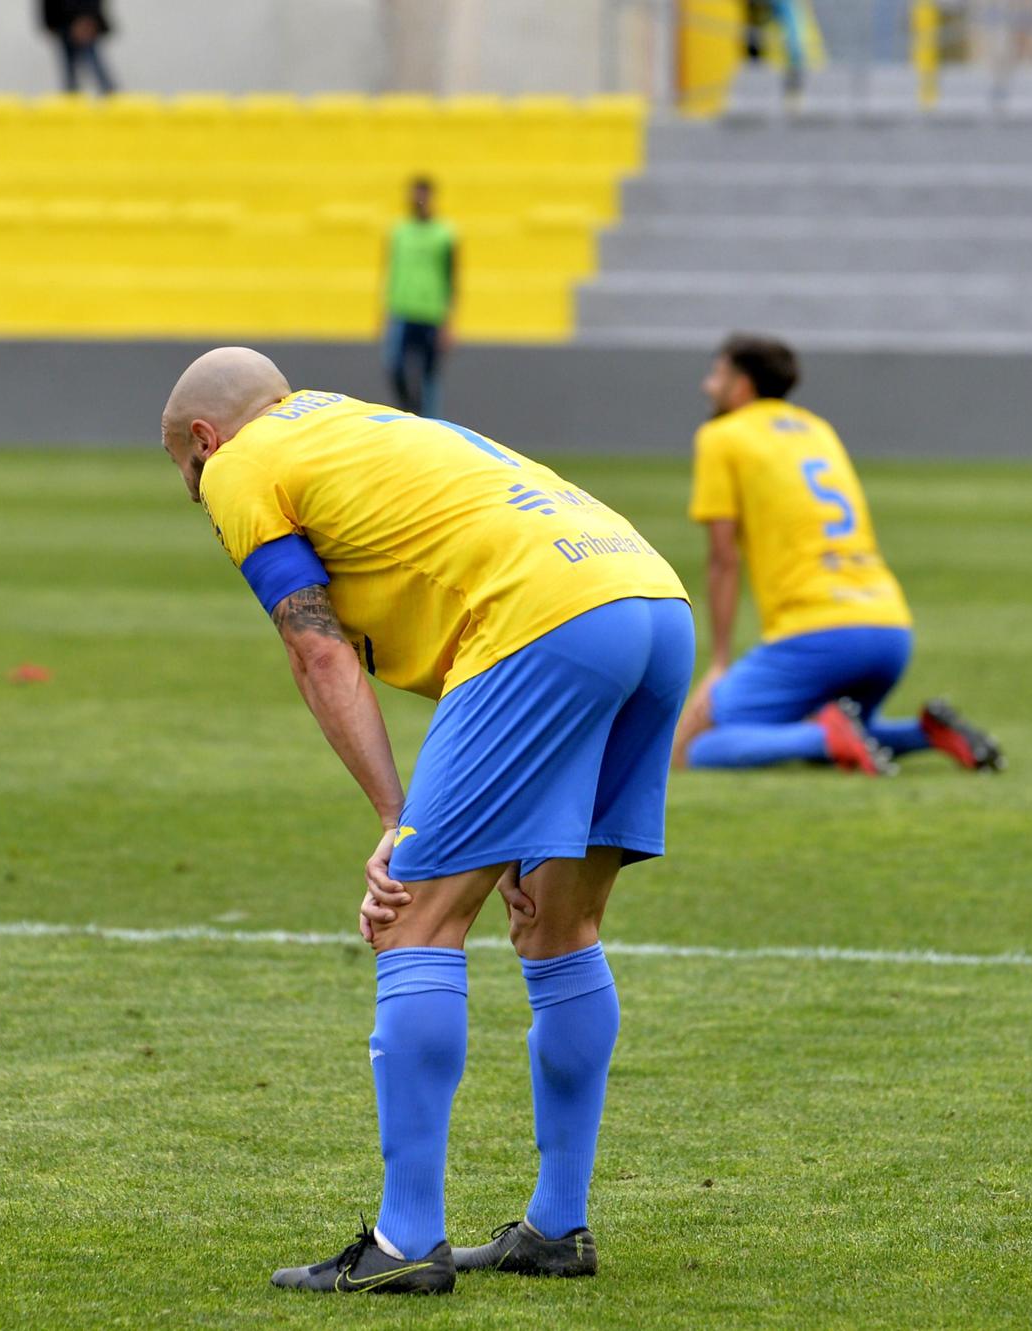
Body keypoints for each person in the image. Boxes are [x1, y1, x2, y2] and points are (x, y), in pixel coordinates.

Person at [160, 348, 693, 1294]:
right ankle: (556, 1225)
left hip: (543, 616)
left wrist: (396, 818)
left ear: (205, 440)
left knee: (412, 913)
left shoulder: (242, 463)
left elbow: (317, 649)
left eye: (189, 480)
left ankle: (406, 1243)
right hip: (646, 598)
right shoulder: (353, 421)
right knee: (559, 923)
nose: (203, 499)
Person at [672, 333, 1001, 774]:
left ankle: (827, 736)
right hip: (889, 629)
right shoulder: (817, 429)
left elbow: (723, 558)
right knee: (847, 731)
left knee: (705, 744)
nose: (706, 386)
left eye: (716, 375)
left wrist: (718, 662)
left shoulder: (722, 436)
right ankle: (927, 733)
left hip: (817, 631)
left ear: (742, 385)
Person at [381, 176, 456, 416]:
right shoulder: (399, 232)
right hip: (402, 310)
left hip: (431, 312)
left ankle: (431, 424)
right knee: (394, 366)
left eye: (422, 194)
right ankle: (408, 410)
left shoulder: (444, 234)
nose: (417, 199)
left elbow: (451, 277)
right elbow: (389, 271)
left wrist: (448, 321)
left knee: (429, 377)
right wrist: (385, 312)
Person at [39, 0, 116, 95]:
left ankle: (111, 99)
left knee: (95, 68)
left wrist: (87, 18)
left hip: (83, 24)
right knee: (70, 74)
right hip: (63, 24)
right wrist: (49, 23)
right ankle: (72, 101)